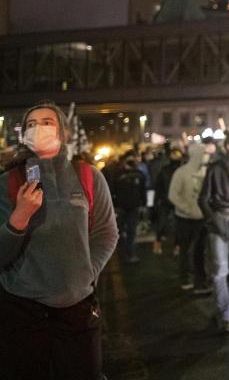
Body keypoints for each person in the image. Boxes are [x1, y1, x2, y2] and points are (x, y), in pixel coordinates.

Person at [0, 101, 118, 379]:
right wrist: (19, 218)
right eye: (30, 124)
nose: (37, 128)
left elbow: (106, 232)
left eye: (46, 122)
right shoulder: (7, 183)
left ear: (63, 132)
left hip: (76, 307)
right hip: (22, 307)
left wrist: (87, 273)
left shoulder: (88, 176)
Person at [198, 130, 229, 333]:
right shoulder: (216, 168)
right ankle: (225, 315)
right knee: (220, 271)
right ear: (228, 146)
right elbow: (203, 199)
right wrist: (214, 218)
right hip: (220, 221)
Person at [169, 142, 213, 291]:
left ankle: (201, 279)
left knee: (201, 250)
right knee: (185, 250)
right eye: (203, 154)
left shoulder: (206, 172)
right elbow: (173, 195)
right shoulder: (181, 173)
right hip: (184, 219)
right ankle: (184, 277)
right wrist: (187, 209)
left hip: (202, 219)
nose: (205, 157)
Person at [111, 150, 148, 264]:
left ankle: (130, 253)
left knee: (131, 231)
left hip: (133, 207)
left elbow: (143, 190)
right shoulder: (117, 174)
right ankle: (124, 254)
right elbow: (112, 190)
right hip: (121, 207)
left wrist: (144, 204)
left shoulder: (138, 174)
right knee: (121, 231)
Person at [153, 146, 183, 255]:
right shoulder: (181, 170)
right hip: (177, 201)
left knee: (162, 223)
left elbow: (158, 187)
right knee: (178, 225)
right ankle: (177, 247)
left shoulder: (164, 170)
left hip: (165, 200)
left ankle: (158, 244)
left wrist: (157, 201)